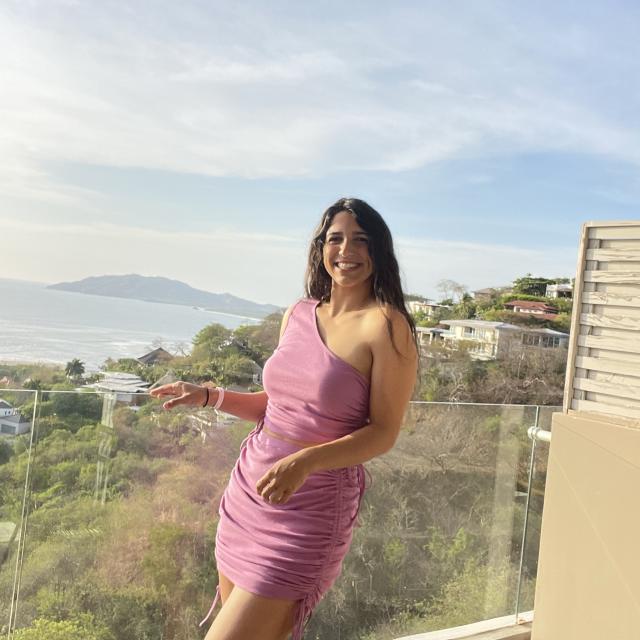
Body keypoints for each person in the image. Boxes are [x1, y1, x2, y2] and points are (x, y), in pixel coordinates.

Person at [150, 197, 418, 640]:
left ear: (378, 251)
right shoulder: (299, 313)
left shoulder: (386, 326)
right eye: (336, 239)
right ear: (321, 248)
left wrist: (306, 462)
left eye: (361, 240)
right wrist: (208, 397)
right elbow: (275, 407)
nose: (346, 250)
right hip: (249, 493)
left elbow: (384, 432)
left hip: (310, 508)